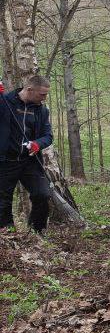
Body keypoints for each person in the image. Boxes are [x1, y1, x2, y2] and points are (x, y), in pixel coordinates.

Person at [0, 75, 54, 235]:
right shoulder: (5, 102)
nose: (44, 98)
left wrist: (37, 144)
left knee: (42, 195)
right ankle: (8, 233)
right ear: (29, 90)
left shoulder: (42, 110)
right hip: (5, 161)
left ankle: (37, 232)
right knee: (3, 201)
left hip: (29, 161)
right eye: (42, 94)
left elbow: (48, 135)